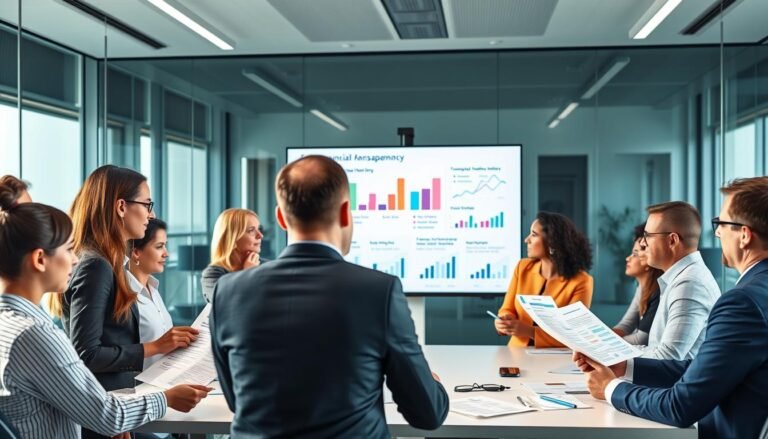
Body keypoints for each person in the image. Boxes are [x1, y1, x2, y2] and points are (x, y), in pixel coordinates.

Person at [210, 155, 449, 437]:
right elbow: (427, 414)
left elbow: (237, 401)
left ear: (281, 217)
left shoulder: (227, 291)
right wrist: (430, 383)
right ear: (346, 212)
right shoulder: (379, 291)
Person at [0, 183, 211, 438]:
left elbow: (85, 402)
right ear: (40, 259)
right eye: (69, 249)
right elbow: (107, 415)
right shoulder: (35, 335)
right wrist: (167, 398)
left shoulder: (10, 324)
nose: (75, 259)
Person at [574, 177, 768, 439]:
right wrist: (625, 367)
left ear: (744, 235)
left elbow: (680, 406)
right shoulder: (756, 292)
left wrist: (611, 388)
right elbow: (707, 369)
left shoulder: (742, 302)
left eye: (721, 224)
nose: (717, 233)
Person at [51, 165, 199, 438]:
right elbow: (86, 354)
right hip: (103, 415)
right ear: (121, 207)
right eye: (147, 204)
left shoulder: (107, 262)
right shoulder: (96, 265)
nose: (151, 214)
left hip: (115, 409)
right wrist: (155, 346)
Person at [494, 212, 593, 347]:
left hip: (556, 356)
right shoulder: (522, 267)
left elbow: (574, 334)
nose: (526, 240)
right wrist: (505, 320)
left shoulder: (582, 281)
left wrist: (529, 331)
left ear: (552, 242)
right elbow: (507, 309)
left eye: (534, 235)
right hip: (515, 352)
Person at [635, 201, 720, 360]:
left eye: (648, 236)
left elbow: (668, 357)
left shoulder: (690, 283)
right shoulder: (681, 278)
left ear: (672, 240)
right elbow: (657, 350)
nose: (642, 243)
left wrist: (614, 358)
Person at [127, 218, 174, 369]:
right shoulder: (125, 295)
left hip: (165, 380)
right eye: (159, 247)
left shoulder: (153, 290)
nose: (166, 254)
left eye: (165, 246)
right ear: (136, 253)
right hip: (140, 382)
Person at [613, 223, 664, 346]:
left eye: (635, 254)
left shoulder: (658, 292)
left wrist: (607, 344)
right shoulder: (642, 288)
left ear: (648, 260)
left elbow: (642, 340)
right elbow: (625, 326)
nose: (628, 258)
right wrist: (598, 339)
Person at [201, 208, 263, 303]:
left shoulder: (267, 266)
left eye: (258, 229)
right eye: (251, 230)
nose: (260, 235)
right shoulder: (212, 275)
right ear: (232, 237)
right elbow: (226, 303)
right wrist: (247, 274)